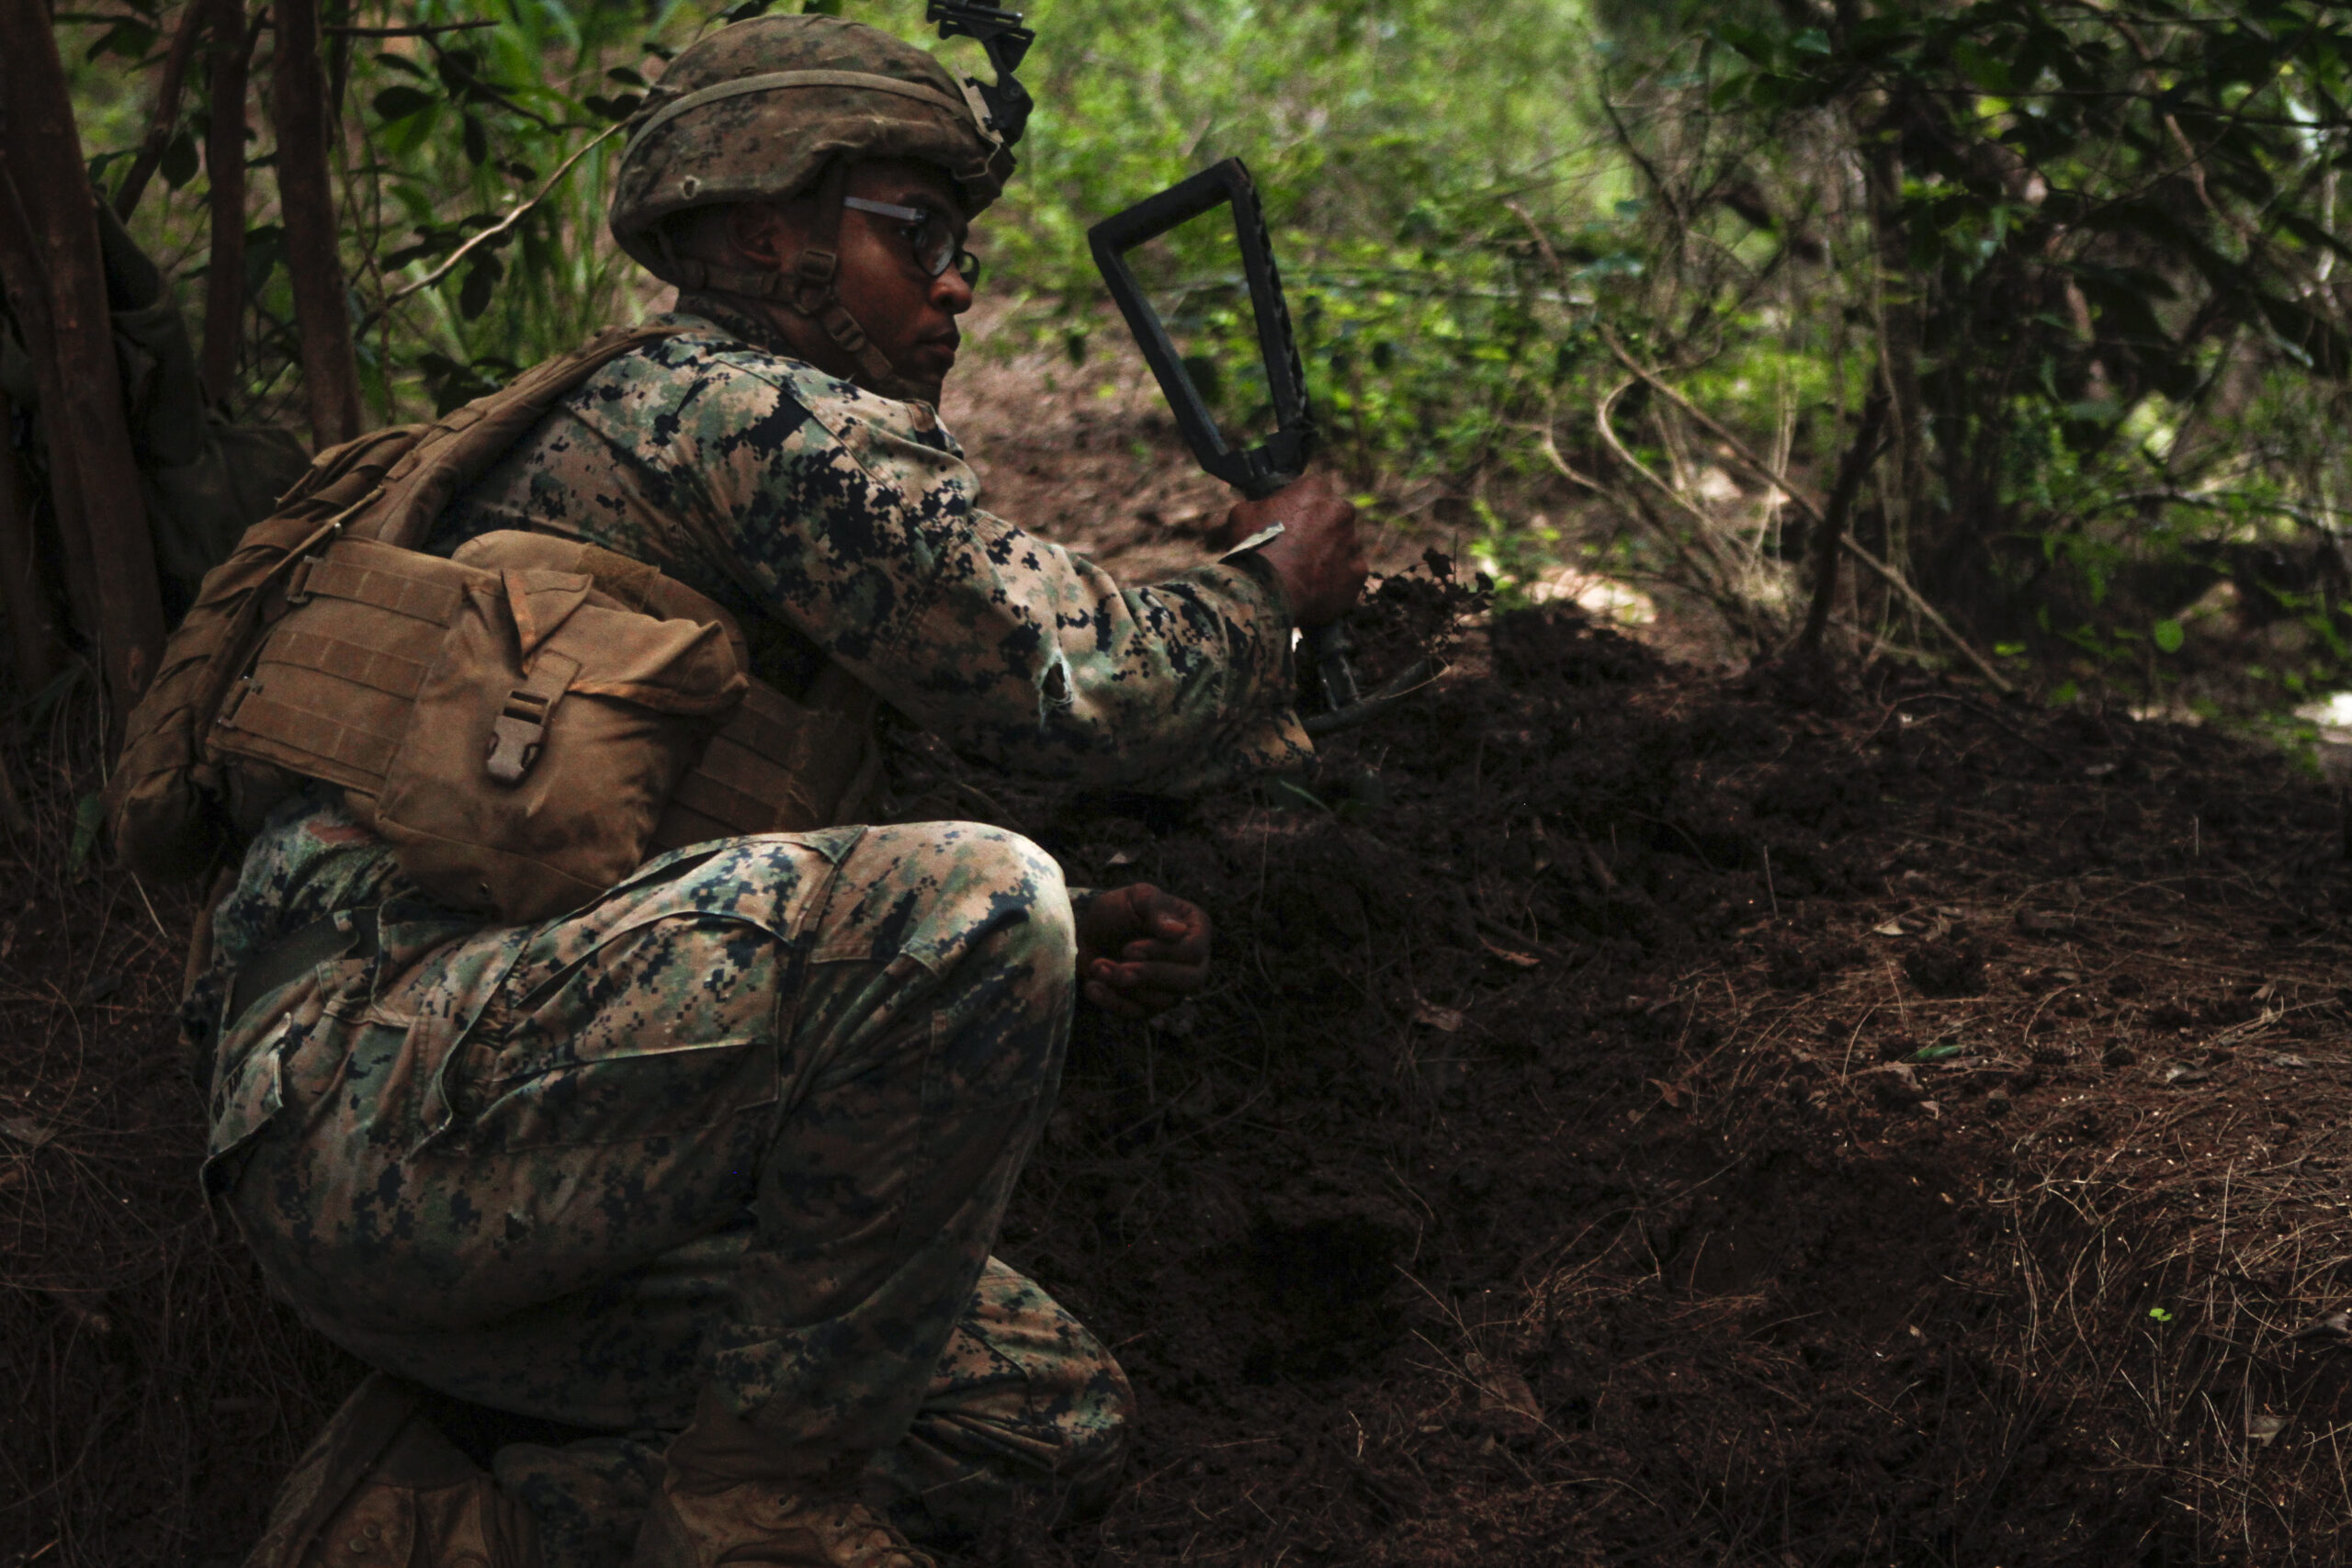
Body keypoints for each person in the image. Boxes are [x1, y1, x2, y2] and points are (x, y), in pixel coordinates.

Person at [205, 13, 1365, 1568]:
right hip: (394, 1115)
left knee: (1030, 1421)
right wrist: (1268, 592)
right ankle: (762, 1519)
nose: (958, 278)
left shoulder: (668, 437)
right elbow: (1069, 684)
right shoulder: (740, 411)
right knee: (973, 898)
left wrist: (1053, 941)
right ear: (769, 231)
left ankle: (425, 1533)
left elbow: (694, 863)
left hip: (486, 1167)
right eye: (918, 232)